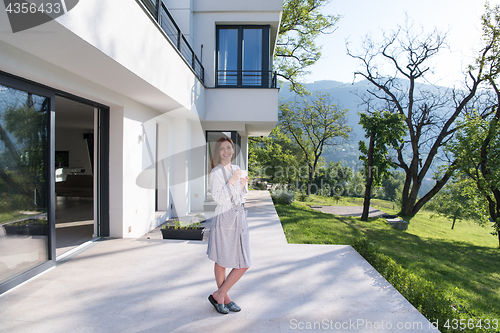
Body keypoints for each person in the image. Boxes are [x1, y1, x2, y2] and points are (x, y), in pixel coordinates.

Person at [207, 136, 251, 314]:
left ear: (233, 150)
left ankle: (219, 294)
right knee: (222, 260)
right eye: (222, 149)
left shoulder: (237, 169)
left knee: (244, 262)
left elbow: (240, 197)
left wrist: (242, 185)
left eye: (229, 148)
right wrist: (232, 181)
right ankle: (224, 298)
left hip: (239, 217)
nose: (226, 152)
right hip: (224, 219)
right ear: (218, 153)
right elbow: (219, 199)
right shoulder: (216, 172)